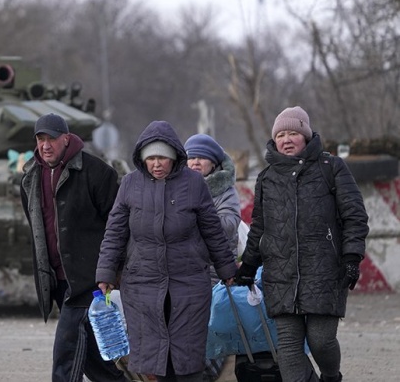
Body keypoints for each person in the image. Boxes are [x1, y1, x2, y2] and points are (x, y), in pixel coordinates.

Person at [96, 120, 238, 382]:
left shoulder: (194, 184)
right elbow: (115, 232)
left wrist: (227, 269)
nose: (157, 163)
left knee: (188, 360)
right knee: (156, 360)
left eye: (162, 157)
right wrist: (105, 272)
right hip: (143, 285)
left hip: (188, 284)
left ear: (174, 157)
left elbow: (212, 231)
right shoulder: (130, 185)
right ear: (142, 159)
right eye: (151, 158)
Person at [235, 106, 369, 382]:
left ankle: (331, 376)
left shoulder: (331, 168)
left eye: (293, 133)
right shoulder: (266, 178)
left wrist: (352, 258)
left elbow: (354, 215)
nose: (286, 139)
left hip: (324, 271)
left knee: (321, 340)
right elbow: (259, 227)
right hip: (280, 274)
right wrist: (248, 266)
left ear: (306, 136)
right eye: (281, 134)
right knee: (288, 348)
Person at [20, 113, 127, 382]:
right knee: (94, 357)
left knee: (66, 351)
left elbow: (119, 226)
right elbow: (37, 230)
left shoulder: (97, 172)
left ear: (66, 139)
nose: (45, 145)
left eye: (52, 139)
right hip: (56, 280)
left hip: (90, 279)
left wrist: (114, 271)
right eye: (40, 139)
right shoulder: (30, 178)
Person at [184, 133, 241, 381]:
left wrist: (192, 216)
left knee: (206, 331)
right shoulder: (176, 187)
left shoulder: (225, 191)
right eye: (191, 157)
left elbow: (228, 223)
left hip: (213, 273)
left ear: (213, 164)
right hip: (181, 270)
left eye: (201, 158)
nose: (195, 162)